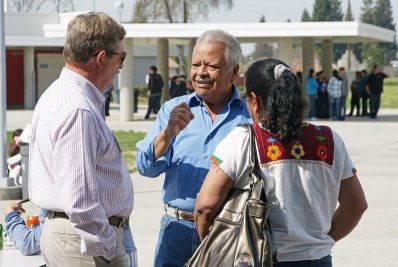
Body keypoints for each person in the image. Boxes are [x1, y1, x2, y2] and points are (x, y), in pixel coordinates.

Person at [195, 58, 368, 267]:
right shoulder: (329, 139)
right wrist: (321, 242)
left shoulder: (243, 139)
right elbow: (356, 205)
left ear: (255, 101)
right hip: (319, 260)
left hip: (262, 258)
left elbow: (204, 208)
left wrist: (217, 245)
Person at [136, 29, 251, 266]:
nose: (200, 73)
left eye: (210, 66)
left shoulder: (249, 116)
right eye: (196, 64)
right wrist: (167, 134)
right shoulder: (173, 109)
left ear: (234, 71)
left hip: (227, 231)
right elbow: (145, 167)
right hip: (176, 232)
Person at [29, 12, 134, 267]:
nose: (121, 66)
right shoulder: (78, 109)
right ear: (101, 58)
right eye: (121, 57)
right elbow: (80, 200)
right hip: (84, 244)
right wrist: (108, 247)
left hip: (76, 238)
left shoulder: (62, 95)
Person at [4, 202, 138, 266]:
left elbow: (29, 244)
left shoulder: (60, 194)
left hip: (107, 251)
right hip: (123, 247)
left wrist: (11, 216)